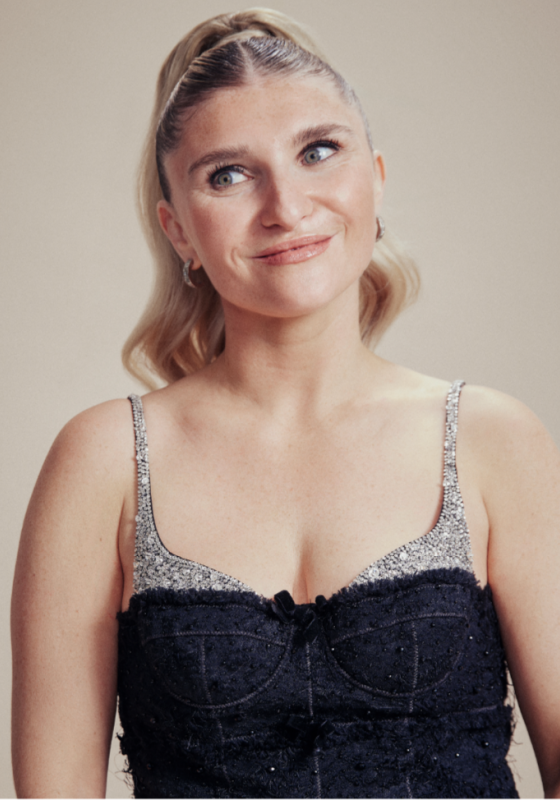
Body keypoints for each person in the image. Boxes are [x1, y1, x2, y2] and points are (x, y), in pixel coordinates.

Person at [11, 8, 560, 799]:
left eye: (318, 152)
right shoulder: (102, 462)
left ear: (374, 176)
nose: (285, 205)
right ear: (180, 232)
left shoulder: (491, 441)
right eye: (228, 174)